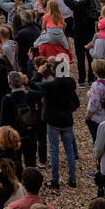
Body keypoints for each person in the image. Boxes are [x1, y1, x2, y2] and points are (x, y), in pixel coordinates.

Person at [39, 57, 80, 188]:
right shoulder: (70, 85)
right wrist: (68, 110)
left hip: (53, 121)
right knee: (69, 150)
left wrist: (39, 72)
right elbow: (77, 103)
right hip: (67, 121)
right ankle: (72, 179)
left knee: (54, 150)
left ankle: (55, 180)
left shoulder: (50, 85)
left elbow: (33, 83)